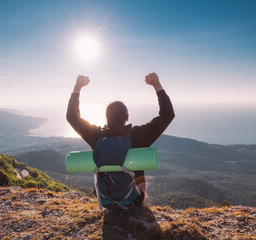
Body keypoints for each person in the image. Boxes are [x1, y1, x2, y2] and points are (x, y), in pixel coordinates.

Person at [66, 73, 175, 207]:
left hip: (106, 199)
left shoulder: (96, 136)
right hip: (135, 200)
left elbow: (72, 117)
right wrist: (156, 85)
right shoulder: (138, 136)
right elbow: (168, 114)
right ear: (127, 117)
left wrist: (78, 87)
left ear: (106, 118)